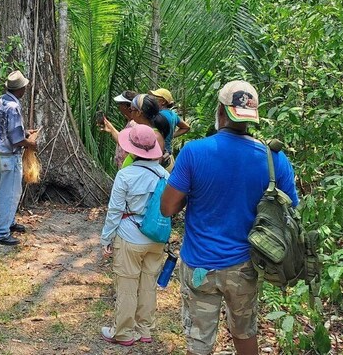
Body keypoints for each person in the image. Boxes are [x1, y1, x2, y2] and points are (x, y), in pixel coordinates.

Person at [160, 81, 299, 355]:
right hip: (245, 266)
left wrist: (193, 195)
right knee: (244, 332)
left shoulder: (193, 152)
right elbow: (290, 210)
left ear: (221, 111)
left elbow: (167, 208)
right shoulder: (274, 159)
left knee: (199, 343)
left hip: (200, 264)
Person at [100, 123, 168, 346]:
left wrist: (106, 238)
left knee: (127, 286)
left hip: (130, 236)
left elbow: (115, 210)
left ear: (131, 149)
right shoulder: (164, 174)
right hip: (156, 237)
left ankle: (123, 333)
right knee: (148, 284)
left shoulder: (125, 175)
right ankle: (145, 329)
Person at [0, 70, 38, 246]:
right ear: (20, 90)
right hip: (10, 156)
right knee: (8, 194)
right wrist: (30, 143)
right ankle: (1, 233)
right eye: (24, 87)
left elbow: (5, 129)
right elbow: (16, 140)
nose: (25, 89)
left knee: (9, 192)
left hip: (0, 155)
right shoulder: (14, 107)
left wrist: (24, 133)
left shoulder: (1, 100)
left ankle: (8, 224)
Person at [121, 94, 170, 168]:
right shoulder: (138, 130)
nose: (130, 113)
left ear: (139, 113)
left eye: (131, 110)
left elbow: (155, 165)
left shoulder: (154, 136)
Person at [149, 88, 190, 160]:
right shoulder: (173, 114)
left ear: (163, 102)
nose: (152, 100)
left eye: (155, 98)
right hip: (168, 152)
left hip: (159, 154)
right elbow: (186, 127)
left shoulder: (159, 116)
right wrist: (171, 135)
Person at [101, 90, 138, 168]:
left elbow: (127, 145)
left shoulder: (133, 124)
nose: (118, 107)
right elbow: (122, 140)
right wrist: (110, 128)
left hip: (128, 167)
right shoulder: (130, 121)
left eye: (120, 104)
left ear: (125, 106)